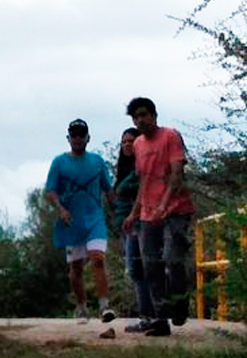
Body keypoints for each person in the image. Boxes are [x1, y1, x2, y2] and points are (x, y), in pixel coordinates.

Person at [122, 97, 196, 336]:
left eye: (144, 115)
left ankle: (180, 302)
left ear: (154, 115)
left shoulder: (170, 136)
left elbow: (176, 175)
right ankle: (161, 320)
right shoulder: (139, 145)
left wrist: (164, 207)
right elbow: (144, 180)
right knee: (151, 266)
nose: (140, 120)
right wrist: (134, 213)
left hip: (176, 210)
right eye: (136, 117)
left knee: (173, 259)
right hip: (147, 213)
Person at [44, 119, 116, 324]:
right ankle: (82, 307)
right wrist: (61, 209)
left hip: (95, 218)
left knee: (97, 258)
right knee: (76, 267)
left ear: (88, 138)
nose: (77, 138)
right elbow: (51, 190)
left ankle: (104, 305)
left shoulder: (97, 161)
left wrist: (119, 211)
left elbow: (108, 189)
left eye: (81, 135)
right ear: (68, 138)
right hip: (72, 221)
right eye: (74, 135)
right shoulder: (59, 162)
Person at [114, 127, 154, 333]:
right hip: (128, 227)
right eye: (124, 142)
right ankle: (149, 316)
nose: (127, 145)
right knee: (138, 271)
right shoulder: (124, 169)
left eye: (131, 140)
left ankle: (149, 317)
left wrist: (133, 216)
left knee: (140, 270)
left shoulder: (141, 167)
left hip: (140, 224)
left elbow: (144, 192)